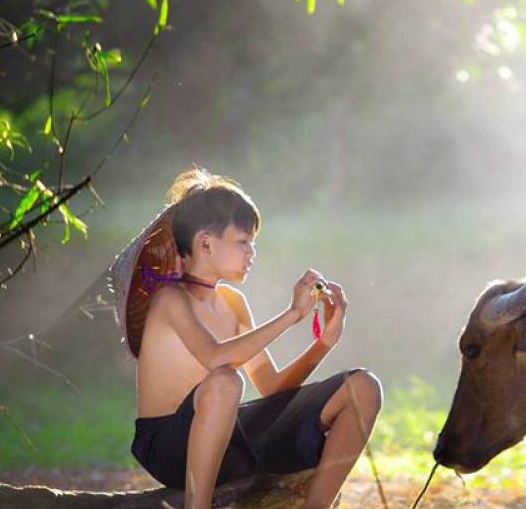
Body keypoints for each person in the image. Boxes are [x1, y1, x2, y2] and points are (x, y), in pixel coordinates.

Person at [112, 168, 381, 509]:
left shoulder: (233, 303)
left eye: (252, 243)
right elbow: (214, 359)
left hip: (226, 436)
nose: (251, 253)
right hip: (168, 445)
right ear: (205, 243)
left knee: (363, 387)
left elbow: (272, 387)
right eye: (242, 242)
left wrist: (324, 343)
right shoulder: (170, 300)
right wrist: (292, 315)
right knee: (225, 380)